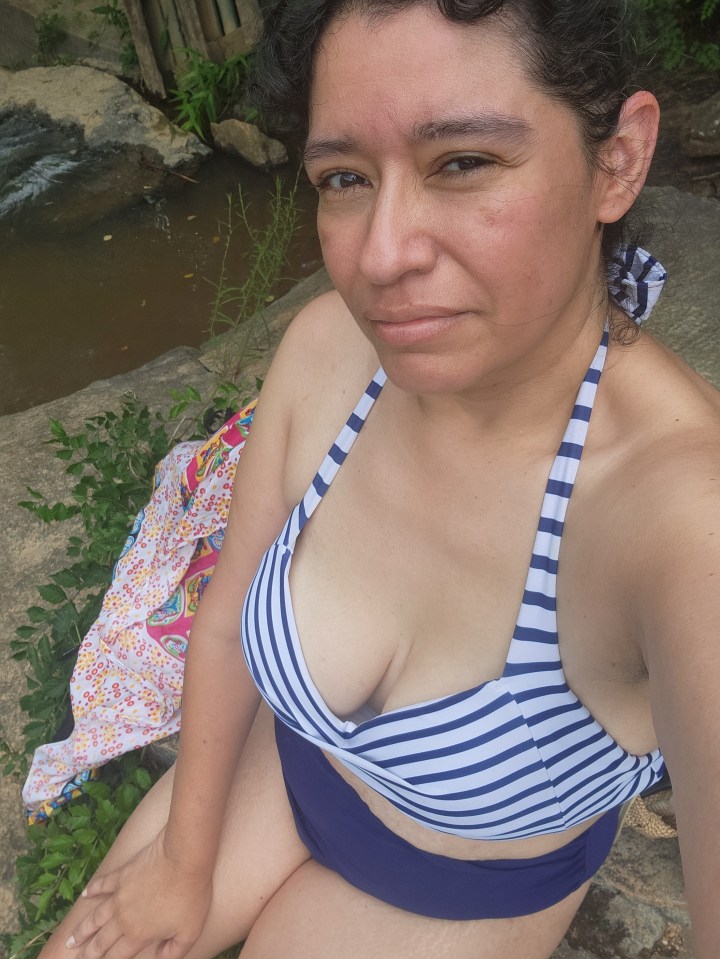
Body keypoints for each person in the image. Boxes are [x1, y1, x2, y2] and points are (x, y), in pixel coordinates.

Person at [39, 1, 720, 957]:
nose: (381, 255)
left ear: (618, 159)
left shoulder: (682, 519)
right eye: (346, 178)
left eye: (463, 162)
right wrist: (184, 860)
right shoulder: (329, 349)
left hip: (457, 885)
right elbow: (228, 617)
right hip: (288, 767)